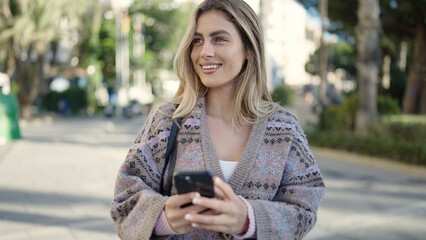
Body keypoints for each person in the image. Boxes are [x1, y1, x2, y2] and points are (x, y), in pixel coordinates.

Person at [110, 0, 325, 239]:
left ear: (248, 49)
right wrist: (164, 218)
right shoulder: (166, 121)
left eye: (219, 39)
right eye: (198, 40)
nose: (205, 52)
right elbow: (124, 200)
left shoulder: (284, 129)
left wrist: (248, 219)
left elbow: (305, 210)